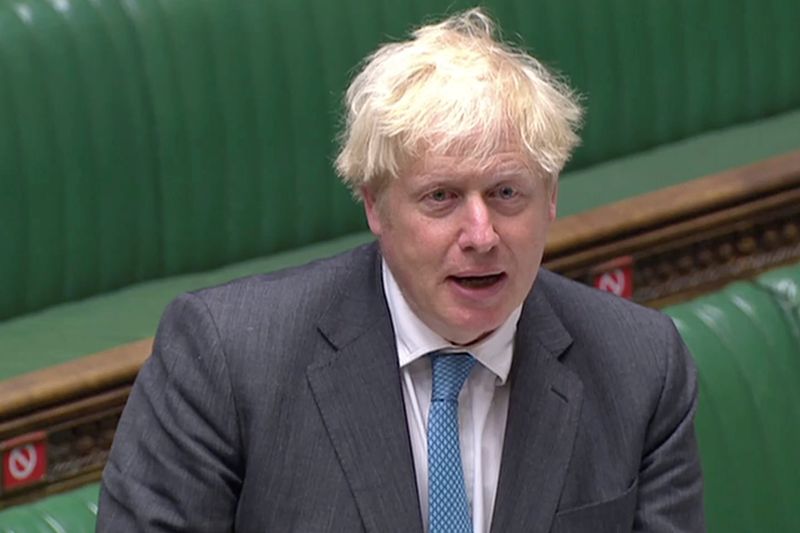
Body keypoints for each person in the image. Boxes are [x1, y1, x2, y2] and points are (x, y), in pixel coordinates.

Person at [97, 8, 704, 532]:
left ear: (551, 198)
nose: (481, 235)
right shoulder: (228, 360)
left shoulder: (639, 367)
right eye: (441, 197)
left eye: (507, 194)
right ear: (374, 205)